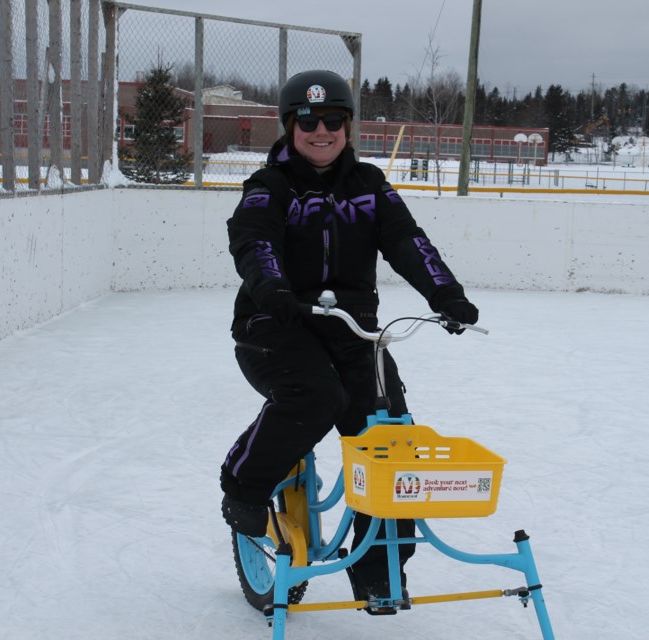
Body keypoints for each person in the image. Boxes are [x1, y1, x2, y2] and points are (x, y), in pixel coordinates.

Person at [220, 69, 479, 612]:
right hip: (276, 325)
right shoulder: (269, 187)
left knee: (394, 438)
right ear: (291, 125)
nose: (322, 131)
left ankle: (379, 567)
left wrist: (446, 296)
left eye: (333, 120)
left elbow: (409, 242)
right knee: (316, 396)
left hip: (351, 329)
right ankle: (243, 484)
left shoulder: (369, 185)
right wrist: (273, 290)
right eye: (309, 121)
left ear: (347, 126)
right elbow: (253, 243)